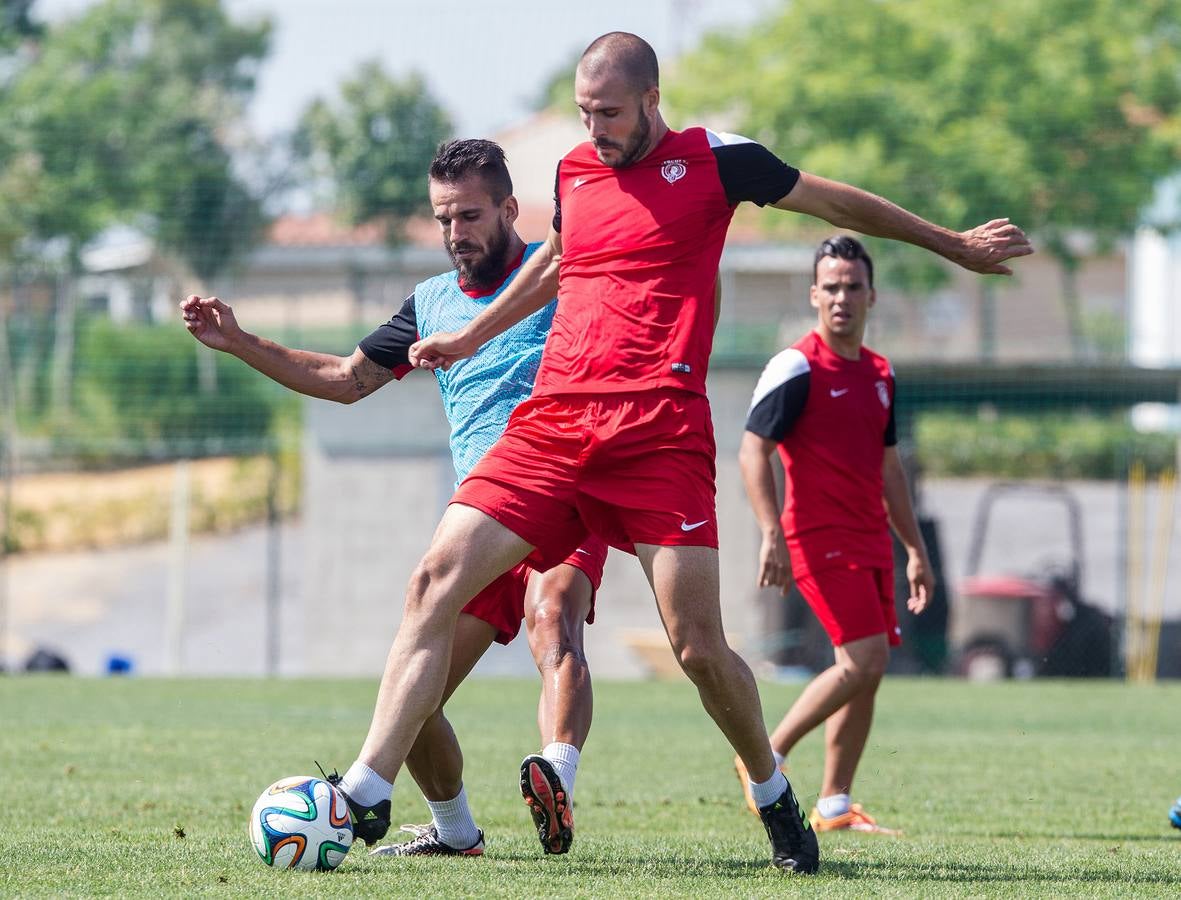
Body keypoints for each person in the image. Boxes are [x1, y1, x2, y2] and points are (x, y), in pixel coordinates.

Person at [354, 31, 1032, 875]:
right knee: (433, 580)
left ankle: (772, 789)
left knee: (700, 649)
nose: (593, 128)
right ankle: (364, 794)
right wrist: (468, 334)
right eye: (582, 113)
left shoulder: (717, 161)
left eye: (608, 112)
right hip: (556, 419)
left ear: (651, 98)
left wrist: (953, 245)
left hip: (658, 433)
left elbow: (837, 206)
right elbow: (558, 264)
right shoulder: (573, 172)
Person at [180, 139, 607, 857]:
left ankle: (556, 769)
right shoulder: (430, 303)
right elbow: (345, 379)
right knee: (414, 700)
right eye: (443, 218)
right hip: (483, 515)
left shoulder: (557, 273)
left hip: (563, 491)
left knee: (554, 616)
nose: (455, 233)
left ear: (507, 208)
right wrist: (239, 341)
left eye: (469, 215)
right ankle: (456, 833)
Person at [736, 236, 930, 835]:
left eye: (852, 286)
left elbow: (890, 468)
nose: (842, 297)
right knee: (864, 658)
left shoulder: (879, 373)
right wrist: (770, 530)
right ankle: (763, 757)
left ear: (871, 295)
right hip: (817, 536)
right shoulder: (795, 366)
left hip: (872, 539)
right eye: (831, 286)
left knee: (869, 668)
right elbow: (751, 451)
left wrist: (915, 550)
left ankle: (835, 807)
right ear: (814, 294)